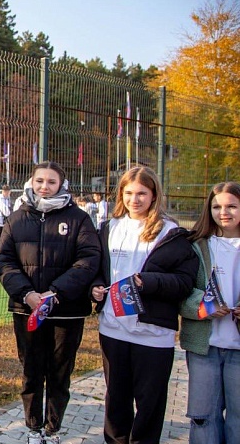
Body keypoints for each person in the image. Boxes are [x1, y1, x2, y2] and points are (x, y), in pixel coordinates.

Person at [90, 166, 197, 444]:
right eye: (128, 193)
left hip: (153, 334)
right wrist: (96, 287)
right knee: (116, 400)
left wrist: (146, 282)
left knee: (149, 406)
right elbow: (99, 269)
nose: (134, 199)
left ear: (153, 195)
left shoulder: (171, 233)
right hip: (113, 329)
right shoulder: (109, 228)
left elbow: (184, 282)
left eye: (141, 193)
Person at [0, 161, 100, 444]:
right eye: (39, 181)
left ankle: (53, 429)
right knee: (31, 371)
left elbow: (89, 259)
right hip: (26, 309)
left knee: (59, 372)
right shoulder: (17, 218)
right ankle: (32, 428)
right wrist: (27, 294)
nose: (44, 186)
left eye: (51, 182)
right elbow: (4, 260)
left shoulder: (79, 219)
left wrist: (56, 292)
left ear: (61, 185)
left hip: (66, 312)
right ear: (31, 182)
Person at [180, 181, 240, 444]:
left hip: (237, 348)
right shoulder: (196, 245)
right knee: (203, 417)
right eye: (216, 206)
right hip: (204, 347)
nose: (223, 212)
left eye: (231, 206)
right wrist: (202, 306)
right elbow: (181, 289)